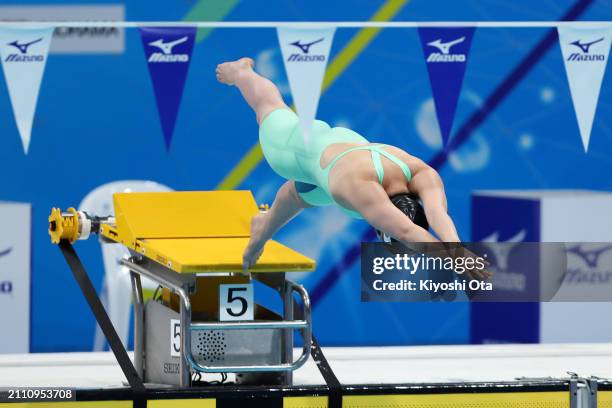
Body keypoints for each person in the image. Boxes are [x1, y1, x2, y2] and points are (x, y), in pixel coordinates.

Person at [216, 57, 480, 275]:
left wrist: (460, 254)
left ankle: (263, 229)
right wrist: (455, 262)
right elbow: (405, 229)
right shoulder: (360, 191)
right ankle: (241, 72)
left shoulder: (421, 172)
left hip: (343, 150)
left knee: (299, 194)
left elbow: (439, 216)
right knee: (269, 108)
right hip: (300, 147)